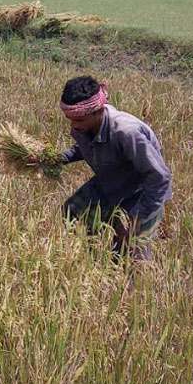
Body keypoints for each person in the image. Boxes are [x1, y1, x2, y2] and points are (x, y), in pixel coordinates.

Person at [57, 76, 172, 261]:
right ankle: (93, 260)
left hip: (142, 192)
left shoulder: (126, 132)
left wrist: (137, 218)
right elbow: (85, 148)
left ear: (98, 111)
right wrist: (56, 159)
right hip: (111, 182)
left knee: (130, 255)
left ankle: (132, 280)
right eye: (69, 119)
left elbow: (159, 177)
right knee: (72, 213)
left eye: (78, 120)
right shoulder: (83, 126)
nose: (73, 125)